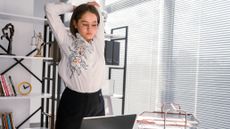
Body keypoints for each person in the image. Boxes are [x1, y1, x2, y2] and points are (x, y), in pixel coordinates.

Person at [45, 1, 106, 129]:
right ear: (75, 23)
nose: (90, 29)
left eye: (94, 25)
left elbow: (97, 13)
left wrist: (94, 8)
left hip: (97, 101)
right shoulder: (66, 41)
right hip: (73, 102)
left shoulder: (98, 43)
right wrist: (75, 8)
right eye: (85, 24)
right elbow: (50, 9)